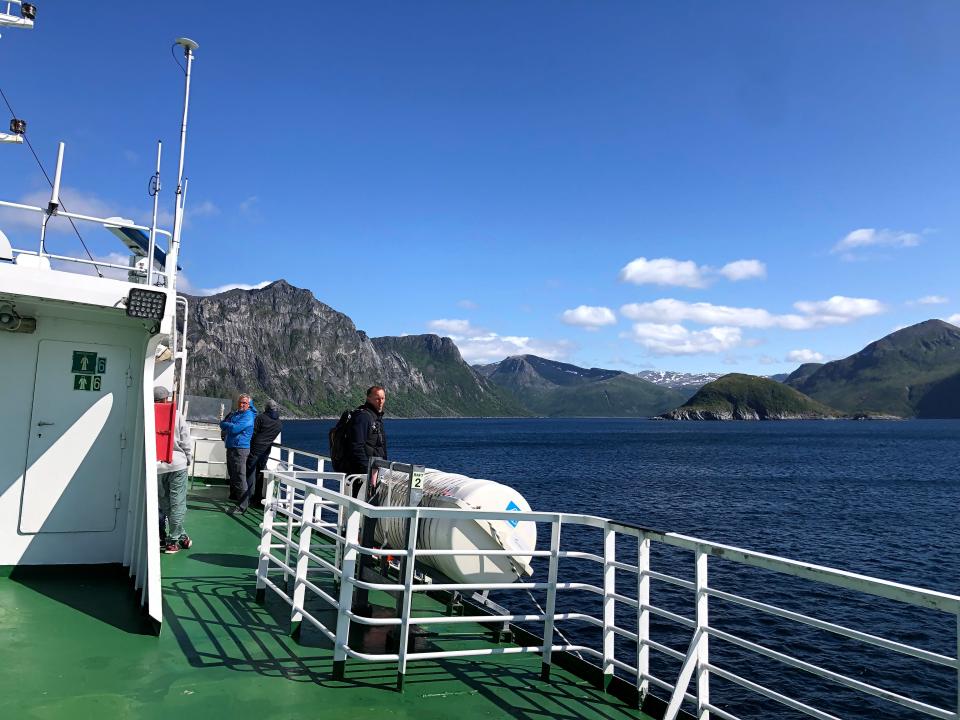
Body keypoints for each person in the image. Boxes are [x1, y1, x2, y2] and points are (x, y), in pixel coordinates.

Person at [155, 386, 193, 553]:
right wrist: (188, 458)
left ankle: (181, 537)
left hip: (157, 467)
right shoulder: (176, 415)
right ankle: (174, 541)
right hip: (177, 464)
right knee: (177, 503)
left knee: (165, 504)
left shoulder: (149, 416)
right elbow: (185, 440)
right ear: (166, 399)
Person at [239, 399, 282, 513]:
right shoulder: (279, 423)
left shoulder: (261, 418)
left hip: (254, 449)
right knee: (260, 473)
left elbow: (253, 433)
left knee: (250, 473)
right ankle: (257, 498)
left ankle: (247, 498)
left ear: (266, 408)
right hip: (266, 451)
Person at [220, 393, 256, 515]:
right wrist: (228, 425)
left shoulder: (248, 416)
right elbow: (223, 424)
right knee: (233, 476)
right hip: (231, 447)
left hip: (240, 449)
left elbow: (234, 428)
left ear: (249, 404)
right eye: (240, 402)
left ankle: (243, 506)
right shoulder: (236, 414)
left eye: (244, 403)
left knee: (240, 477)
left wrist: (227, 425)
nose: (242, 404)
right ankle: (239, 501)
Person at [346, 385, 388, 489]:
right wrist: (367, 472)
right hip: (363, 475)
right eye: (377, 398)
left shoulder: (375, 418)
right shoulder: (363, 417)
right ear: (369, 398)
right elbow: (356, 446)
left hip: (375, 471)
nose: (381, 401)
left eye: (382, 398)